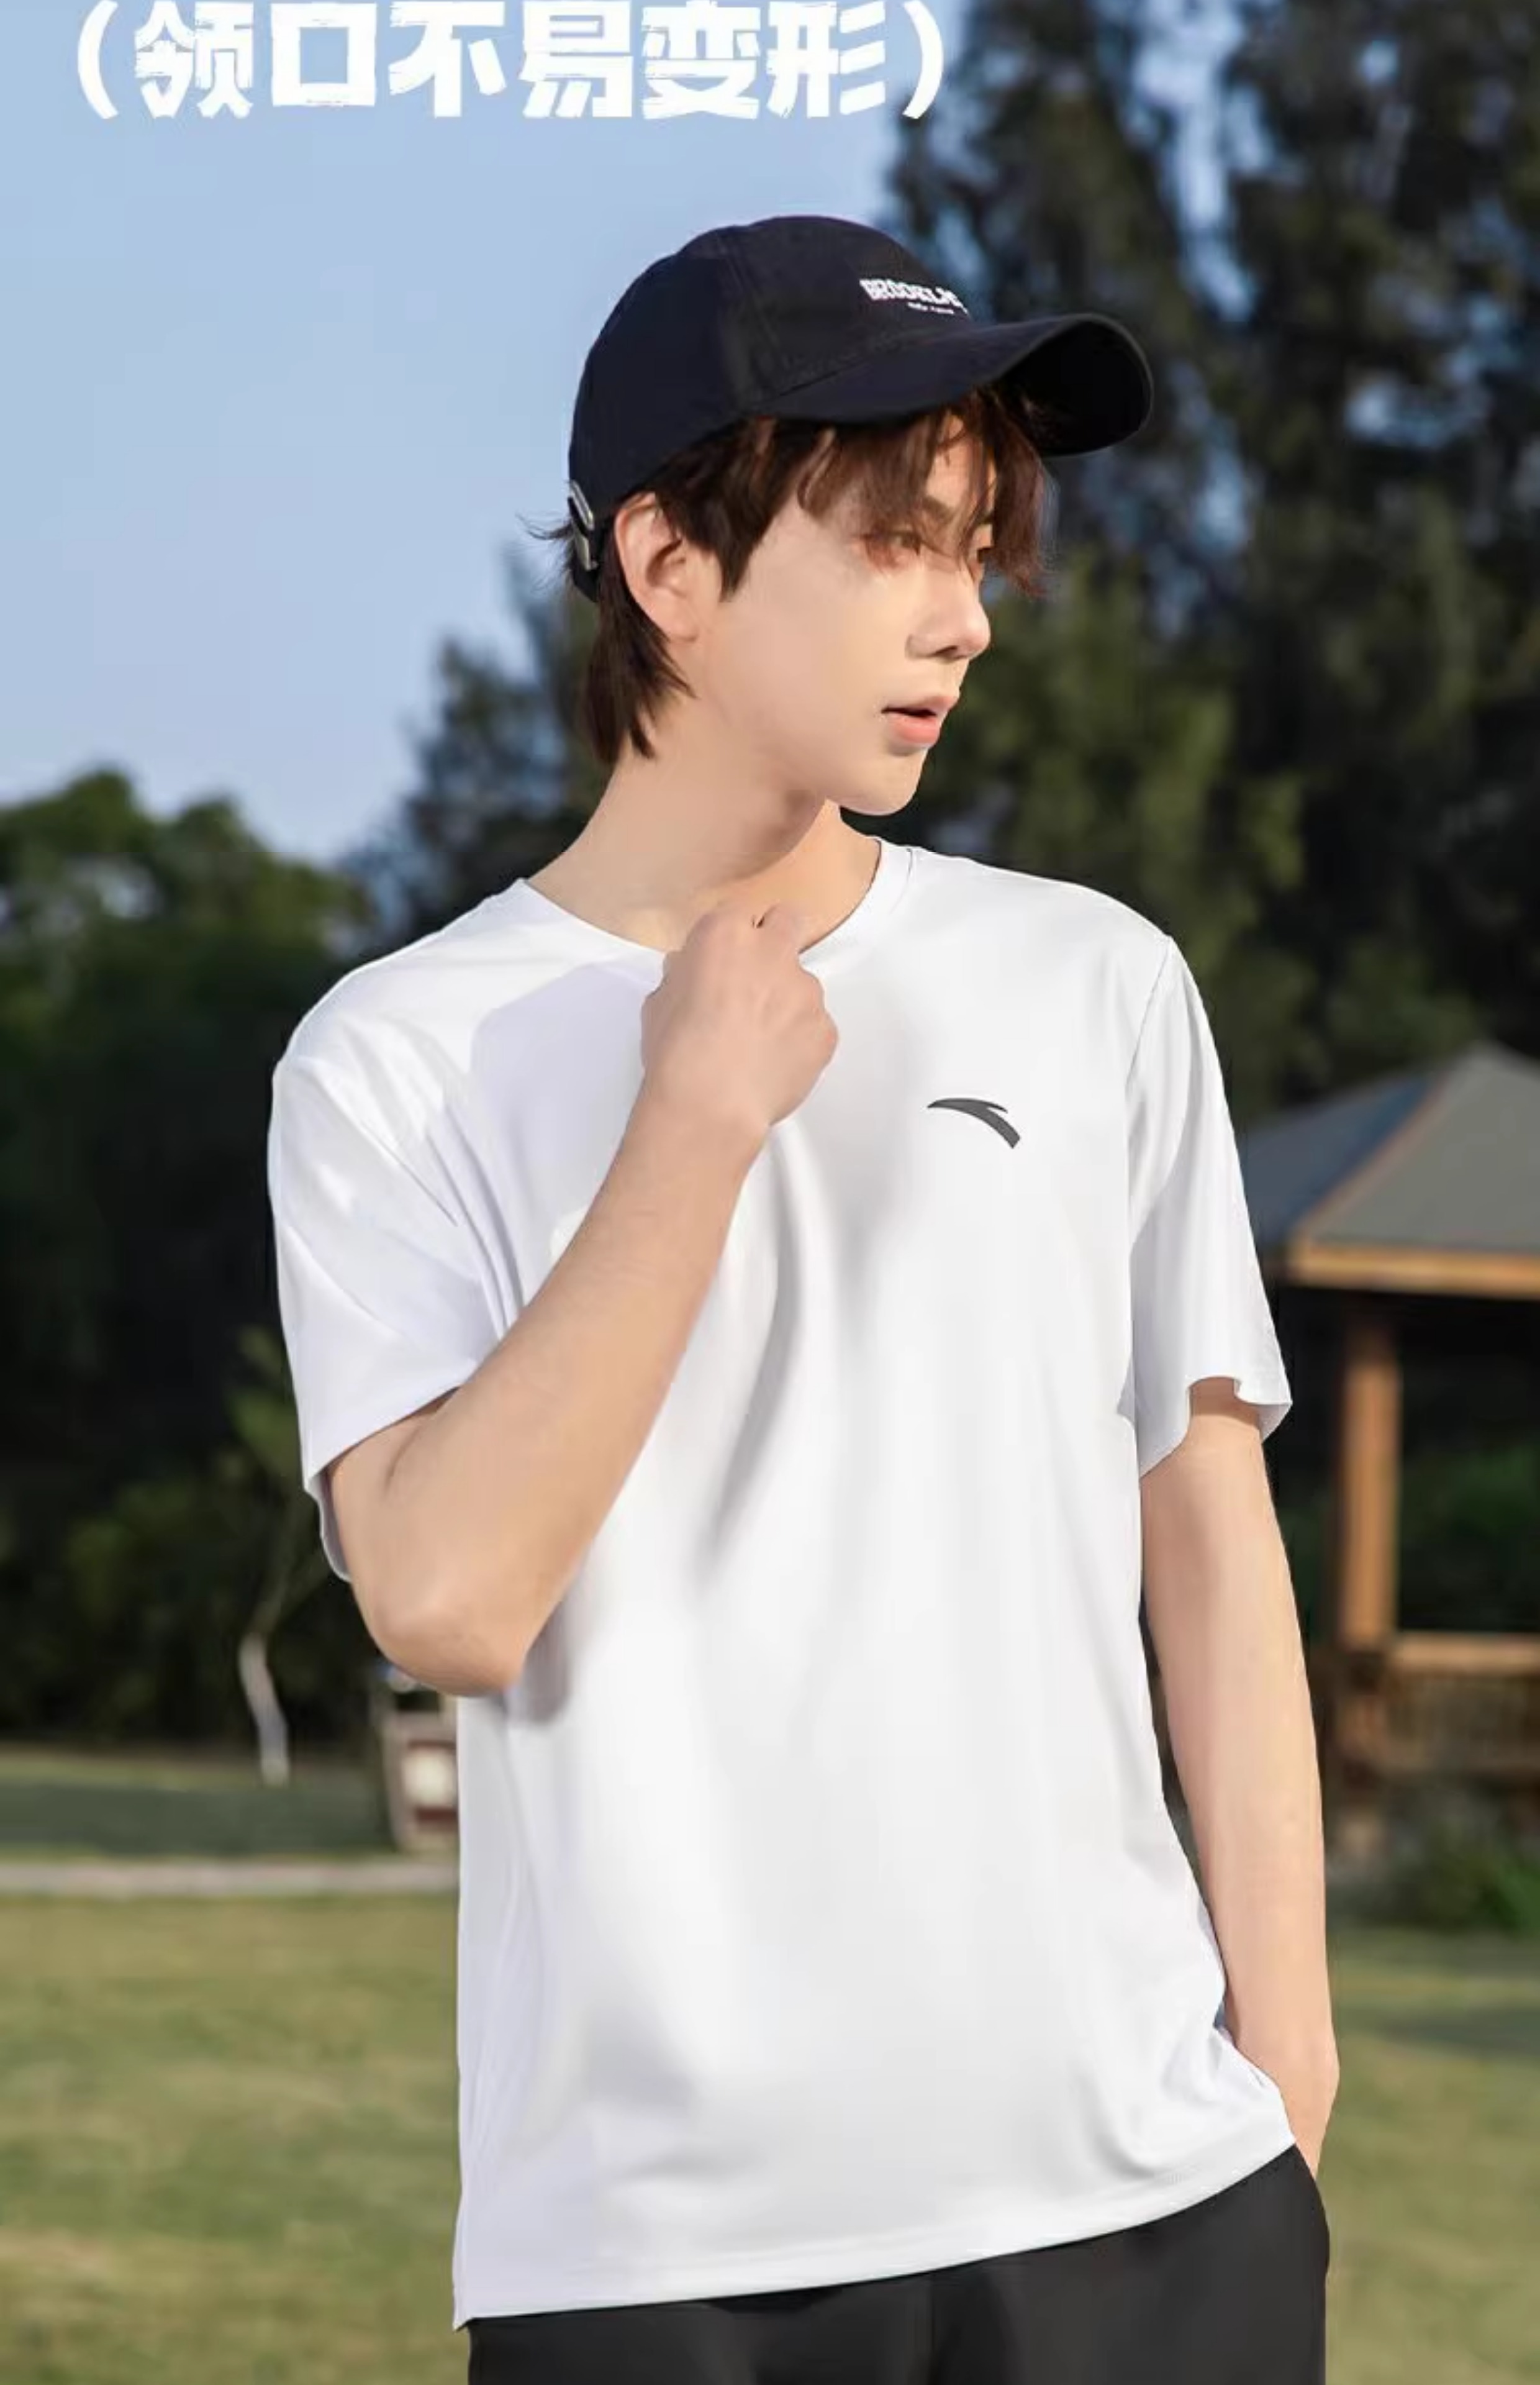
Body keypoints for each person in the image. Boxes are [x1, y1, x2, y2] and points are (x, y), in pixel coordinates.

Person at [266, 212, 1339, 2384]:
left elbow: (1210, 1539)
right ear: (668, 565)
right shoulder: (395, 1058)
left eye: (980, 546)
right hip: (654, 2266)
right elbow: (447, 1598)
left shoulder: (1097, 986)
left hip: (1152, 2213)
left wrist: (1284, 2093)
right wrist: (691, 1121)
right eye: (894, 544)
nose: (965, 614)